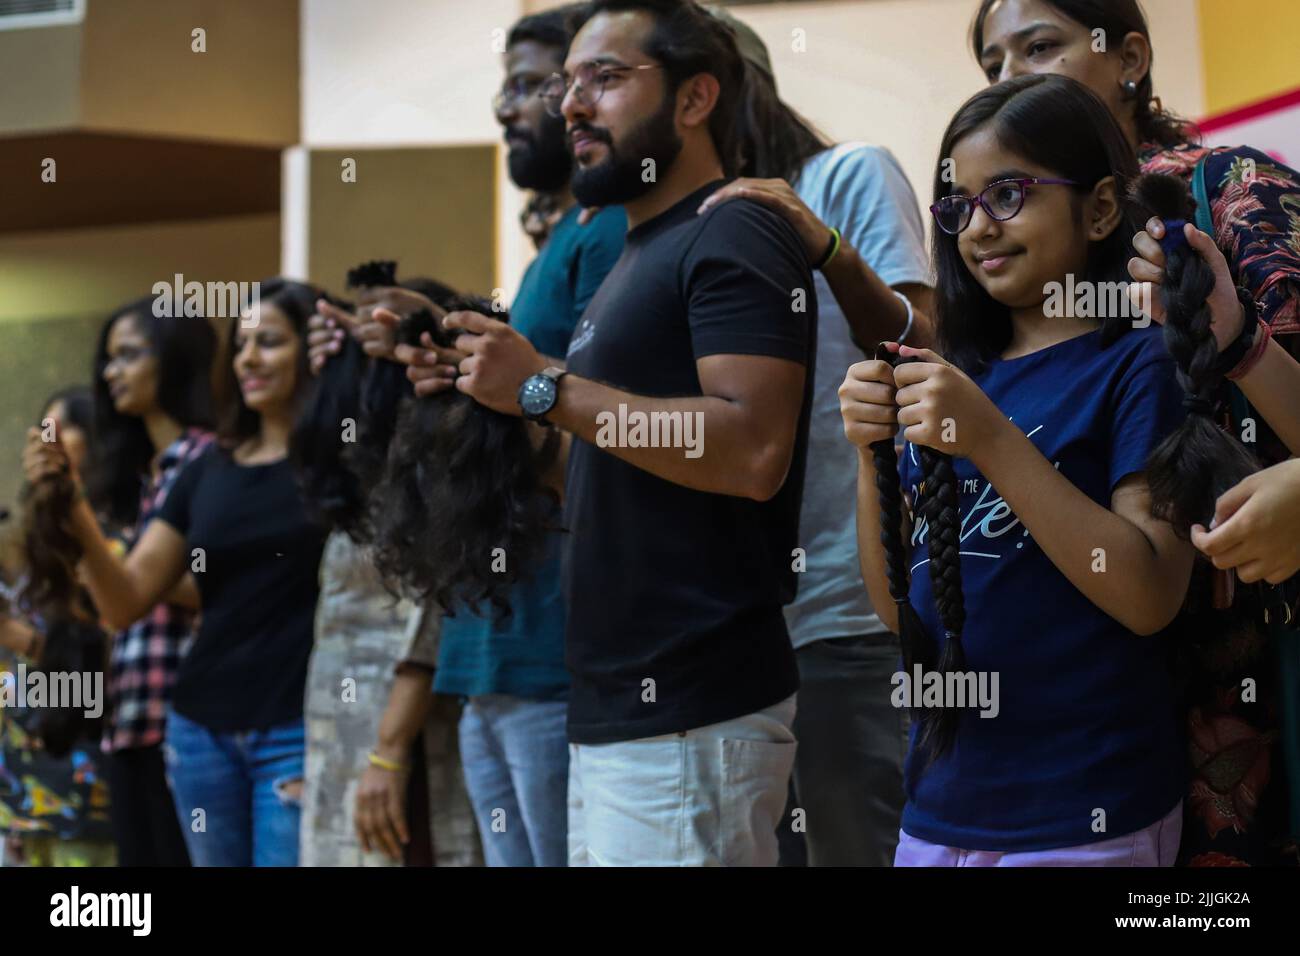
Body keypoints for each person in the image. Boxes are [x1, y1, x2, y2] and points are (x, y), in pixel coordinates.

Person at [397, 0, 816, 866]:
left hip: (692, 704)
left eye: (606, 78)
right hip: (618, 703)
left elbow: (752, 451)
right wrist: (495, 398)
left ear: (697, 98)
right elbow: (605, 466)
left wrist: (545, 388)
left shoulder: (729, 227)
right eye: (567, 83)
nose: (571, 105)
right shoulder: (636, 252)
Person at [972, 0, 1300, 865]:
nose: (1012, 78)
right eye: (992, 64)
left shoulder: (1225, 184)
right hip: (1116, 671)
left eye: (1037, 46)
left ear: (1129, 57)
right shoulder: (1025, 237)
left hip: (1264, 612)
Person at [844, 73, 1195, 865]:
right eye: (958, 206)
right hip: (940, 808)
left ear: (1101, 207)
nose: (978, 229)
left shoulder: (1137, 361)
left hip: (1085, 811)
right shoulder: (958, 372)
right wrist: (866, 458)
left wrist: (992, 440)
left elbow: (1149, 594)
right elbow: (896, 611)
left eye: (1007, 193)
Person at [697, 7, 931, 867]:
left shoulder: (846, 174)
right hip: (738, 629)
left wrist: (825, 247)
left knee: (863, 848)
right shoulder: (692, 226)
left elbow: (926, 345)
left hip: (849, 609)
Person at [23, 279, 329, 867]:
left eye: (270, 341)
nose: (249, 358)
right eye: (241, 344)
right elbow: (126, 599)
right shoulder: (204, 470)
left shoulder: (335, 464)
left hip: (296, 720)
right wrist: (70, 502)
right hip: (195, 725)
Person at [296, 276, 480, 867]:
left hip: (405, 742)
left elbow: (429, 621)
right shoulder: (374, 474)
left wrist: (388, 753)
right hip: (347, 734)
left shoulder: (435, 465)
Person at [89, 296, 216, 867]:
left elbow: (218, 582)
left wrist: (130, 563)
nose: (112, 372)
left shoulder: (211, 459)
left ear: (174, 359)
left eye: (129, 355)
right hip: (130, 717)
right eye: (108, 360)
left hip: (190, 721)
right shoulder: (139, 479)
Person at [1, 388, 115, 868]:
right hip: (25, 792)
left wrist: (20, 639)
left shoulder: (118, 535)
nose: (43, 441)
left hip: (88, 794)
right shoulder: (35, 536)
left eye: (59, 429)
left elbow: (106, 674)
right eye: (40, 429)